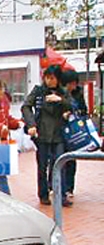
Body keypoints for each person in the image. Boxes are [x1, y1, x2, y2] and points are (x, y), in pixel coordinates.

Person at [22, 65, 72, 207]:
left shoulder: (63, 92)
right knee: (42, 166)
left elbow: (72, 106)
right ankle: (43, 194)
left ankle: (61, 194)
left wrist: (59, 100)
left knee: (60, 164)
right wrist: (31, 124)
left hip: (58, 134)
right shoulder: (38, 91)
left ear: (58, 79)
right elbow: (26, 106)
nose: (49, 81)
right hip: (42, 134)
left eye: (52, 78)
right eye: (47, 78)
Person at [61, 69, 88, 198]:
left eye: (75, 83)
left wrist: (75, 113)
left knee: (71, 159)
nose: (74, 86)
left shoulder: (78, 94)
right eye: (71, 83)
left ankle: (69, 188)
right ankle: (56, 185)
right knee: (59, 158)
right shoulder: (59, 93)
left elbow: (84, 110)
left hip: (74, 131)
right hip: (61, 130)